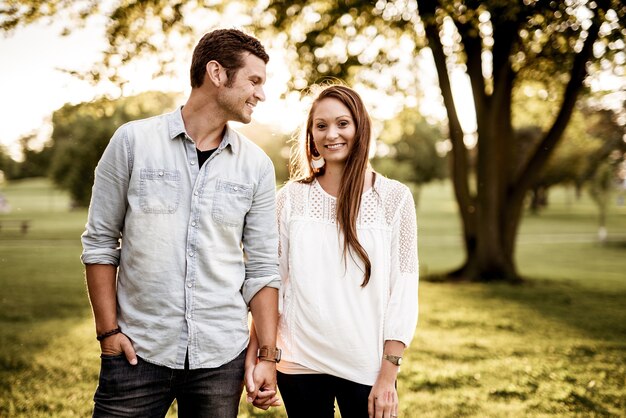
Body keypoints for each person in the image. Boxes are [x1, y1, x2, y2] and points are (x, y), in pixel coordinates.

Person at [81, 28, 281, 417]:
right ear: (217, 73)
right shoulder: (132, 142)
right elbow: (101, 243)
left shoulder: (257, 166)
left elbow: (262, 267)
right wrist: (108, 333)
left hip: (220, 358)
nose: (261, 94)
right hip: (138, 351)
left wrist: (268, 356)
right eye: (253, 81)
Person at [273, 84, 419, 417]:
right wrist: (264, 355)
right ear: (311, 134)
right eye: (321, 125)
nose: (331, 134)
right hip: (299, 362)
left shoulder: (394, 199)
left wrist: (388, 373)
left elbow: (404, 290)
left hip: (366, 366)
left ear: (359, 128)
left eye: (342, 123)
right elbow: (274, 283)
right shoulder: (290, 199)